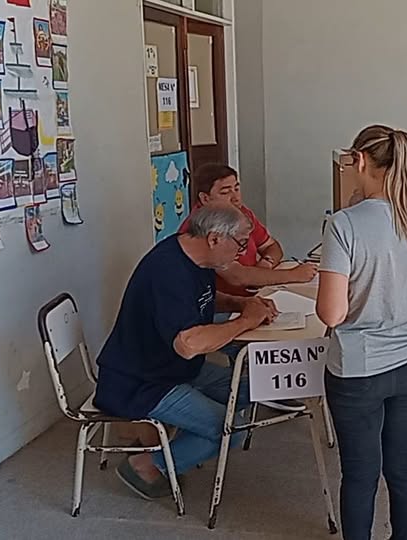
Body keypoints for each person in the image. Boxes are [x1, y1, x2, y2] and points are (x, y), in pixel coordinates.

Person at [316, 125, 407, 540]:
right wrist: (403, 305)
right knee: (404, 467)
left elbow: (331, 313)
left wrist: (370, 303)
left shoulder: (343, 225)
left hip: (358, 371)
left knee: (360, 474)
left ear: (360, 160)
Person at [94, 204, 279, 499]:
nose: (242, 252)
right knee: (232, 429)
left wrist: (240, 304)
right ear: (215, 238)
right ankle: (146, 466)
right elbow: (189, 344)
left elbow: (203, 299)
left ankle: (180, 440)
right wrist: (246, 321)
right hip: (141, 381)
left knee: (257, 387)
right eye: (241, 244)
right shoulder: (168, 271)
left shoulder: (194, 256)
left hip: (174, 369)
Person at [179, 163, 318, 297]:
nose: (235, 198)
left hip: (256, 292)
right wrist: (293, 275)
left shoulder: (241, 213)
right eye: (225, 192)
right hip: (227, 302)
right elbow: (237, 276)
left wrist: (266, 263)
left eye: (237, 189)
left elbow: (272, 246)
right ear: (205, 198)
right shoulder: (200, 228)